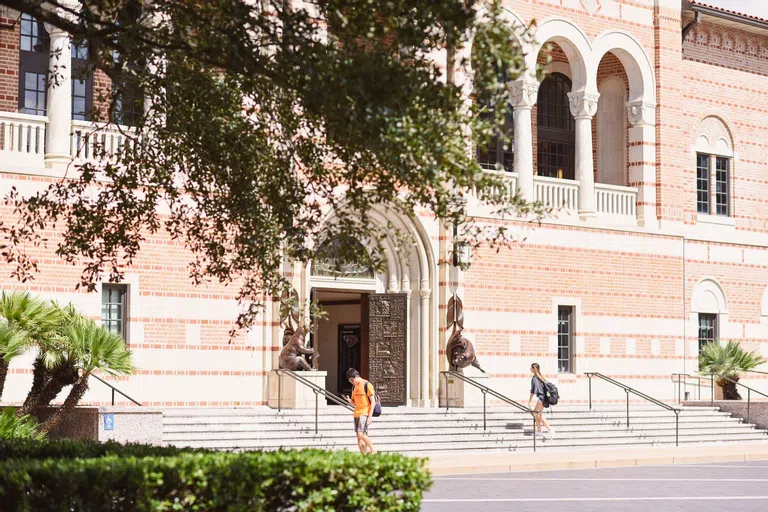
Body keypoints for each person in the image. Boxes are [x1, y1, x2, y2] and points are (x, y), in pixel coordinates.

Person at [342, 368, 377, 454]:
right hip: (356, 413)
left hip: (364, 413)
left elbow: (373, 401)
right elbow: (354, 403)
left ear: (356, 376)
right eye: (350, 381)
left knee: (361, 434)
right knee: (359, 437)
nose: (351, 382)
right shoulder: (354, 387)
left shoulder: (367, 384)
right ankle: (364, 455)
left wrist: (370, 416)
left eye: (352, 380)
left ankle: (373, 450)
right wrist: (348, 400)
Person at [528, 362, 555, 439]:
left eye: (531, 368)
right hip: (543, 398)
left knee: (538, 414)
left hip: (541, 398)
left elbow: (534, 391)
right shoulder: (540, 377)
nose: (530, 369)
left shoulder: (535, 378)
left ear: (534, 368)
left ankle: (550, 429)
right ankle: (539, 431)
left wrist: (529, 401)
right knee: (536, 415)